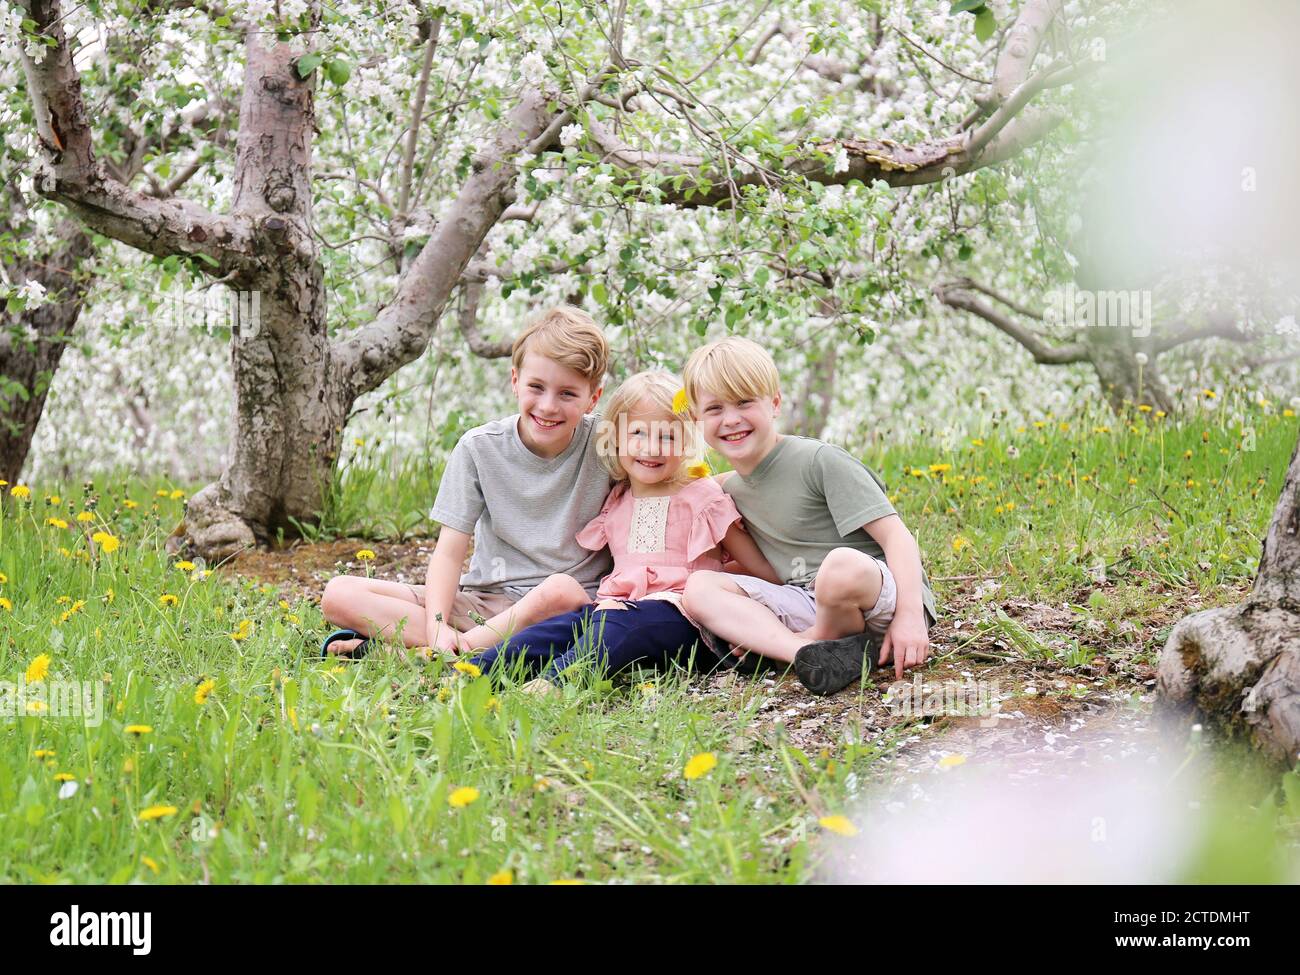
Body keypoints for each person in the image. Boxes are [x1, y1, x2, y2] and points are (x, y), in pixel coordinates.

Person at [319, 305, 613, 657]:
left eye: (567, 394)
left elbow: (667, 469)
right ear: (515, 380)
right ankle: (454, 644)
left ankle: (446, 649)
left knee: (559, 589)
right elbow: (449, 551)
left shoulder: (610, 443)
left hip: (566, 608)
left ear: (593, 398)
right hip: (485, 604)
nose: (548, 406)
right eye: (537, 387)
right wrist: (438, 623)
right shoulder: (479, 447)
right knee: (339, 593)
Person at [469, 370, 779, 689]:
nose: (652, 448)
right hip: (615, 613)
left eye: (668, 436)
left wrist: (750, 623)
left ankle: (556, 683)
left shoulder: (702, 498)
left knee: (616, 626)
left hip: (689, 624)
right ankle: (473, 673)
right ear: (616, 437)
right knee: (558, 630)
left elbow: (761, 571)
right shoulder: (616, 502)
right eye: (638, 433)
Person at [679, 336, 938, 695]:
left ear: (775, 404)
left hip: (876, 595)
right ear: (697, 420)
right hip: (808, 599)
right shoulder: (727, 490)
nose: (731, 420)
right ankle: (804, 652)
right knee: (700, 587)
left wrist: (911, 615)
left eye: (744, 402)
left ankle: (807, 642)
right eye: (714, 409)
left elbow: (897, 537)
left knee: (839, 566)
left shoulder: (819, 461)